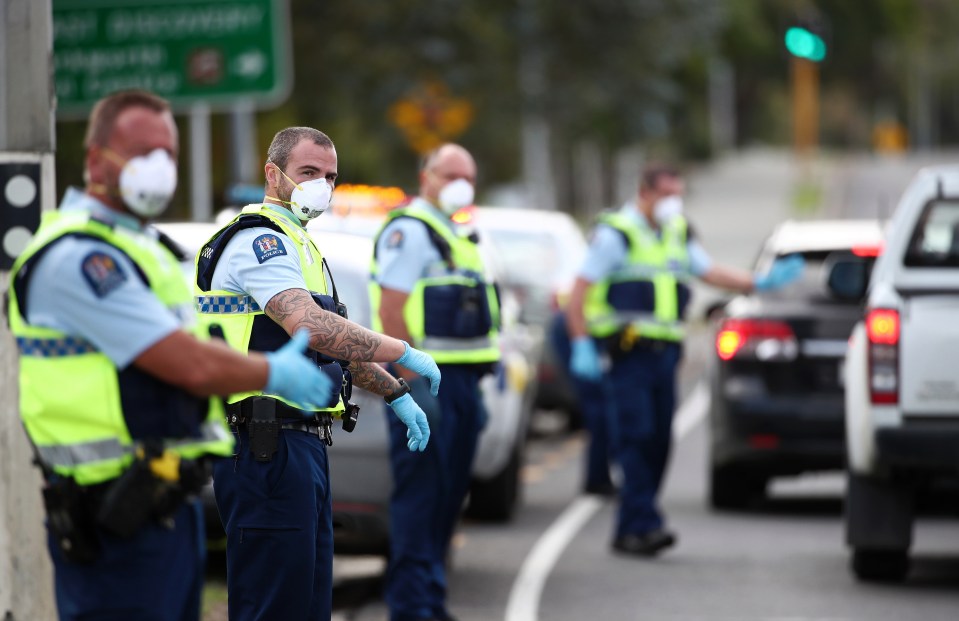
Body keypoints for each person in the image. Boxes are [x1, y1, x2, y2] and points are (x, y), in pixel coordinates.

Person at [6, 90, 340, 621]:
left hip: (162, 496)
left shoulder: (142, 249)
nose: (159, 167)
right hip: (107, 509)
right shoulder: (79, 256)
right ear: (96, 160)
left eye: (168, 153)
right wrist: (272, 370)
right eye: (142, 152)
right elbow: (186, 361)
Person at [193, 126, 439, 621]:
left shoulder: (298, 244)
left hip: (299, 445)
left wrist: (392, 392)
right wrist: (401, 350)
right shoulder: (257, 240)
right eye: (308, 173)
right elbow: (311, 326)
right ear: (273, 174)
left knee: (307, 606)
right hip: (263, 444)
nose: (321, 185)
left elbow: (325, 348)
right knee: (274, 606)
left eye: (330, 176)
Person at [566, 164, 804, 557]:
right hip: (629, 356)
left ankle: (635, 524)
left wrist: (756, 281)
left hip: (666, 357)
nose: (674, 202)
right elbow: (578, 294)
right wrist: (581, 344)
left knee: (660, 440)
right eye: (667, 194)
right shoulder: (616, 236)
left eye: (678, 194)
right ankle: (641, 523)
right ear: (644, 193)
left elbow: (708, 270)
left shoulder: (676, 232)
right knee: (636, 437)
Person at [371, 143, 501, 621]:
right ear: (426, 175)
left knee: (448, 499)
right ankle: (410, 606)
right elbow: (390, 310)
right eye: (450, 175)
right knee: (421, 498)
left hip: (463, 383)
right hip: (426, 382)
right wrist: (411, 385)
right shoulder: (411, 230)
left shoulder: (458, 234)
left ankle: (431, 600)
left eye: (468, 175)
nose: (460, 184)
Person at [547, 308, 616, 496]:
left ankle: (600, 476)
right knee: (599, 410)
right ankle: (597, 479)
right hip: (579, 331)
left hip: (588, 331)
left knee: (604, 409)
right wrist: (582, 345)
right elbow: (574, 306)